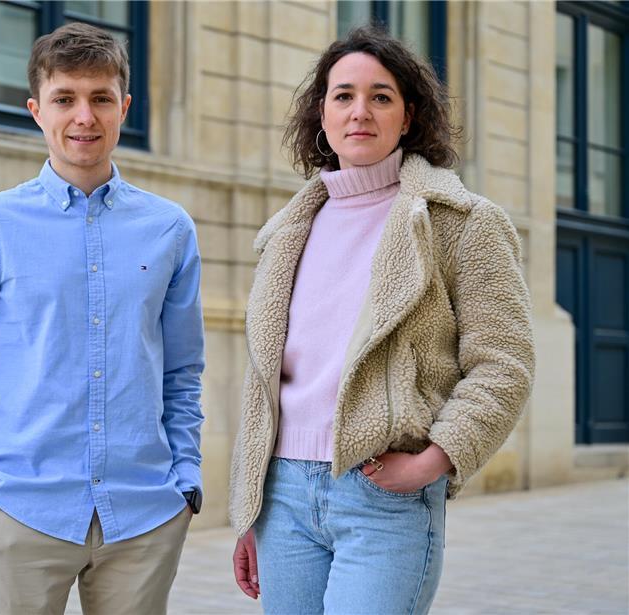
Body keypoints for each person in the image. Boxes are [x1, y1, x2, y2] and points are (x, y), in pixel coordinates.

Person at [230, 25, 535, 615]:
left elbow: (505, 363)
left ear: (408, 114)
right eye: (343, 95)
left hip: (382, 496)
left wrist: (434, 461)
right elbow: (263, 382)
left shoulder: (461, 222)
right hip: (284, 499)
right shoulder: (287, 231)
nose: (359, 111)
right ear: (321, 113)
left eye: (381, 96)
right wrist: (249, 509)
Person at [0, 22, 205, 615]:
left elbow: (183, 372)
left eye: (101, 98)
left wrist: (186, 481)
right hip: (21, 511)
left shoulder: (171, 228)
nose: (85, 116)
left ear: (124, 106)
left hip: (144, 515)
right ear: (36, 110)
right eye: (65, 99)